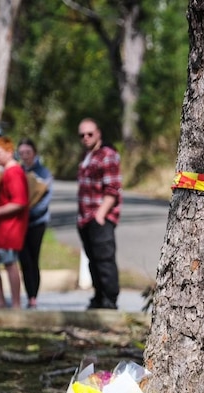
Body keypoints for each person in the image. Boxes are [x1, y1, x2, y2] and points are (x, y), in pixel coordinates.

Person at [76, 117, 122, 310]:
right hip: (85, 218)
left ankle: (110, 300)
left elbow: (112, 189)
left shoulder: (107, 155)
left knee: (104, 260)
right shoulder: (88, 156)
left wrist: (100, 215)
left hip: (99, 217)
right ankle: (98, 296)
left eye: (90, 134)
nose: (86, 137)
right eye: (82, 135)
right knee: (93, 260)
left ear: (98, 134)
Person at [0, 136, 29, 309]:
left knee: (9, 264)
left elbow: (20, 201)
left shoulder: (14, 172)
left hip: (8, 229)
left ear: (9, 152)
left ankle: (15, 303)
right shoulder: (5, 172)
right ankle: (0, 299)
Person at [17, 138, 53, 309]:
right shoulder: (18, 171)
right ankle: (29, 293)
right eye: (22, 153)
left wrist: (27, 211)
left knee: (33, 258)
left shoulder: (43, 173)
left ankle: (33, 297)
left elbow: (44, 201)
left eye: (28, 153)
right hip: (20, 223)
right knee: (24, 260)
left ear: (34, 153)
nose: (25, 156)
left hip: (37, 222)